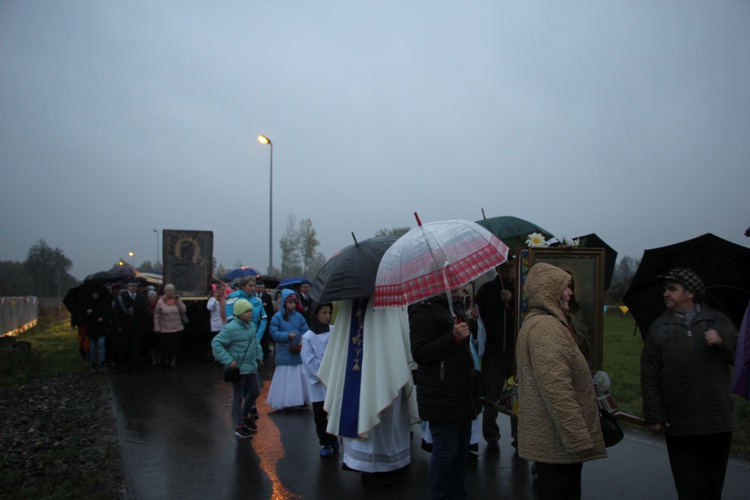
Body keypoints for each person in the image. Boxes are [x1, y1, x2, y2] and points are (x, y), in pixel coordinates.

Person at [641, 268, 739, 500]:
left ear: (691, 293)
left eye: (672, 289)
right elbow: (649, 373)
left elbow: (740, 357)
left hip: (717, 418)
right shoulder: (658, 328)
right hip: (680, 420)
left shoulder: (717, 320)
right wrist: (654, 414)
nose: (666, 293)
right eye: (665, 289)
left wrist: (722, 342)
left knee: (713, 486)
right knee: (688, 486)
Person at [515, 263, 606, 500]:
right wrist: (579, 438)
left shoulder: (540, 322)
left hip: (554, 439)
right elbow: (556, 389)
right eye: (564, 288)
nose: (570, 293)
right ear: (549, 292)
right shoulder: (546, 328)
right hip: (558, 442)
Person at [319, 297, 418, 482]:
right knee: (383, 402)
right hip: (382, 365)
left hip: (379, 365)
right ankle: (380, 464)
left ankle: (376, 464)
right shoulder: (389, 292)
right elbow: (403, 330)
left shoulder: (355, 295)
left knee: (381, 404)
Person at [409, 288, 480, 499]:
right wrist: (453, 338)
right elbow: (419, 352)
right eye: (452, 275)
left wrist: (470, 324)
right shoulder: (422, 307)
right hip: (439, 393)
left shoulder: (454, 304)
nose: (459, 282)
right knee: (446, 451)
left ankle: (458, 495)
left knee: (461, 453)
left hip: (461, 390)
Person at [474, 258, 517, 451]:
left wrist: (513, 300)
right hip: (493, 353)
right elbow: (478, 320)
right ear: (497, 268)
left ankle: (519, 437)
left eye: (512, 266)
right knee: (491, 394)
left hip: (516, 353)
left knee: (516, 396)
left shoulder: (522, 290)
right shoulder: (485, 291)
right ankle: (491, 436)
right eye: (504, 266)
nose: (508, 270)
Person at [211, 298, 263, 439]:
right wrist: (228, 360)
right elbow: (216, 343)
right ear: (239, 313)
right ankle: (239, 425)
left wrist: (259, 356)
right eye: (247, 311)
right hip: (238, 369)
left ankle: (244, 415)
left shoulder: (251, 326)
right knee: (238, 395)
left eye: (251, 311)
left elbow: (255, 342)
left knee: (255, 391)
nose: (250, 313)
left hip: (251, 366)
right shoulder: (231, 328)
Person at [300, 302, 339, 457]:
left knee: (334, 411)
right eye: (323, 313)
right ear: (315, 314)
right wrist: (324, 371)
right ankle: (325, 442)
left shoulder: (334, 331)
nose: (327, 316)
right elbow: (309, 361)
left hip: (334, 378)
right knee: (321, 415)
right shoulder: (308, 337)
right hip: (319, 383)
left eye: (329, 312)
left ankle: (334, 435)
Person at [267, 289, 310, 410]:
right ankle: (285, 401)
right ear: (284, 302)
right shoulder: (277, 317)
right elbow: (273, 333)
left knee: (297, 377)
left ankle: (299, 400)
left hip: (297, 352)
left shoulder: (299, 316)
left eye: (294, 303)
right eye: (290, 302)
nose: (293, 305)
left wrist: (303, 339)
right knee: (286, 378)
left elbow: (305, 329)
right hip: (284, 353)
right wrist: (287, 336)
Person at [113, 279, 148, 373]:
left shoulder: (141, 297)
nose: (133, 288)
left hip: (138, 327)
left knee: (136, 347)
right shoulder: (122, 298)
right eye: (132, 286)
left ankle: (135, 366)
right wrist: (118, 325)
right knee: (125, 346)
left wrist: (145, 325)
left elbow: (144, 312)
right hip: (125, 327)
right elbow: (117, 312)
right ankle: (125, 365)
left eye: (135, 286)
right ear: (128, 287)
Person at [153, 284, 187, 368]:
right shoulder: (160, 301)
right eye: (169, 290)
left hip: (177, 327)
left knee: (176, 346)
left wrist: (178, 301)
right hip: (165, 328)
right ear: (165, 292)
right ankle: (166, 360)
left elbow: (183, 310)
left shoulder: (176, 299)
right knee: (166, 347)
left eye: (172, 290)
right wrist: (157, 327)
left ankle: (173, 362)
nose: (171, 292)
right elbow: (156, 315)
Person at [85, 289, 111, 372]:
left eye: (96, 294)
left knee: (101, 343)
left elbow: (107, 312)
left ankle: (101, 361)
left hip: (101, 326)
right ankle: (93, 363)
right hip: (92, 327)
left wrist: (102, 318)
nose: (95, 295)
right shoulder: (87, 303)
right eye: (93, 294)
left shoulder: (103, 302)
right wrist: (87, 313)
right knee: (92, 346)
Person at [254, 278, 275, 358]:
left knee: (264, 339)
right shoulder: (252, 297)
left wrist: (270, 321)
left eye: (261, 287)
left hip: (264, 322)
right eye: (257, 287)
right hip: (255, 322)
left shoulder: (267, 297)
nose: (259, 289)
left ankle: (264, 355)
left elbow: (270, 310)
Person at [207, 283, 227, 360]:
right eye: (220, 290)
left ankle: (223, 357)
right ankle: (216, 358)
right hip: (216, 325)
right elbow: (209, 307)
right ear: (217, 290)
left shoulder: (225, 299)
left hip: (224, 324)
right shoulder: (212, 299)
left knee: (224, 342)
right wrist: (216, 299)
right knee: (216, 342)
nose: (222, 291)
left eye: (223, 290)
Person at [144, 290, 159, 366]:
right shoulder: (146, 306)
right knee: (151, 345)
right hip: (149, 328)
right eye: (151, 297)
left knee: (158, 344)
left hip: (159, 327)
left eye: (154, 297)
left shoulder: (159, 305)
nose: (152, 298)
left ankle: (159, 357)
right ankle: (154, 359)